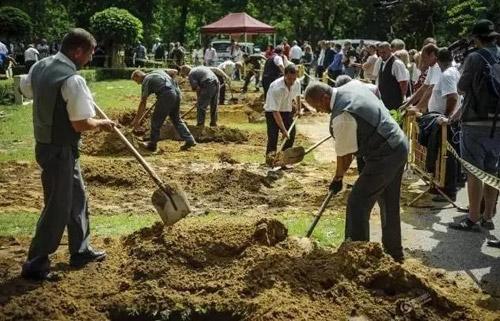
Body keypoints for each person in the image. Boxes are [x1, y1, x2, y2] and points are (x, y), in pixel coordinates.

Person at [19, 28, 115, 281]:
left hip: (47, 145)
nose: (91, 59)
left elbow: (27, 91)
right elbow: (81, 124)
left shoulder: (39, 67)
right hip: (59, 149)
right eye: (90, 54)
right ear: (77, 51)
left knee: (77, 198)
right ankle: (36, 263)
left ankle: (80, 251)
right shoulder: (73, 80)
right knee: (57, 207)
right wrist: (102, 124)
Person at [304, 81, 408, 262]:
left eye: (317, 106)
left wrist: (338, 178)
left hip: (385, 154)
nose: (318, 111)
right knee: (389, 202)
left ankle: (357, 257)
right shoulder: (352, 86)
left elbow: (345, 155)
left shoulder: (342, 115)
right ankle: (394, 254)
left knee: (357, 202)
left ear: (325, 98)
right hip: (398, 145)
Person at [449, 19, 500, 233]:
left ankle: (472, 217)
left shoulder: (475, 58)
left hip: (475, 121)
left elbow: (461, 88)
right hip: (497, 122)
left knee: (474, 172)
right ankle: (488, 216)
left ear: (477, 38)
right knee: (492, 171)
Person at [131, 69, 196, 152]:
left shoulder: (146, 80)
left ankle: (152, 145)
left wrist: (136, 120)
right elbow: (174, 72)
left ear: (138, 76)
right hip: (177, 92)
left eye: (136, 80)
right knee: (176, 119)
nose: (138, 83)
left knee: (155, 120)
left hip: (167, 95)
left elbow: (143, 102)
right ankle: (189, 139)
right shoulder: (158, 71)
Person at [264, 64, 301, 163]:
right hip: (272, 113)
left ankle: (284, 159)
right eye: (289, 79)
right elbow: (275, 112)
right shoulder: (277, 88)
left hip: (286, 111)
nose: (291, 82)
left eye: (294, 79)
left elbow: (298, 95)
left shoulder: (296, 83)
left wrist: (298, 109)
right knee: (273, 137)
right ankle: (270, 160)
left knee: (291, 135)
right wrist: (284, 130)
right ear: (284, 75)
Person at [375, 42, 409, 110]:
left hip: (395, 101)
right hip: (384, 100)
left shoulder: (396, 63)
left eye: (384, 52)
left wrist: (403, 99)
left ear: (390, 50)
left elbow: (403, 83)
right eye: (380, 52)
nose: (382, 54)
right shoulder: (382, 62)